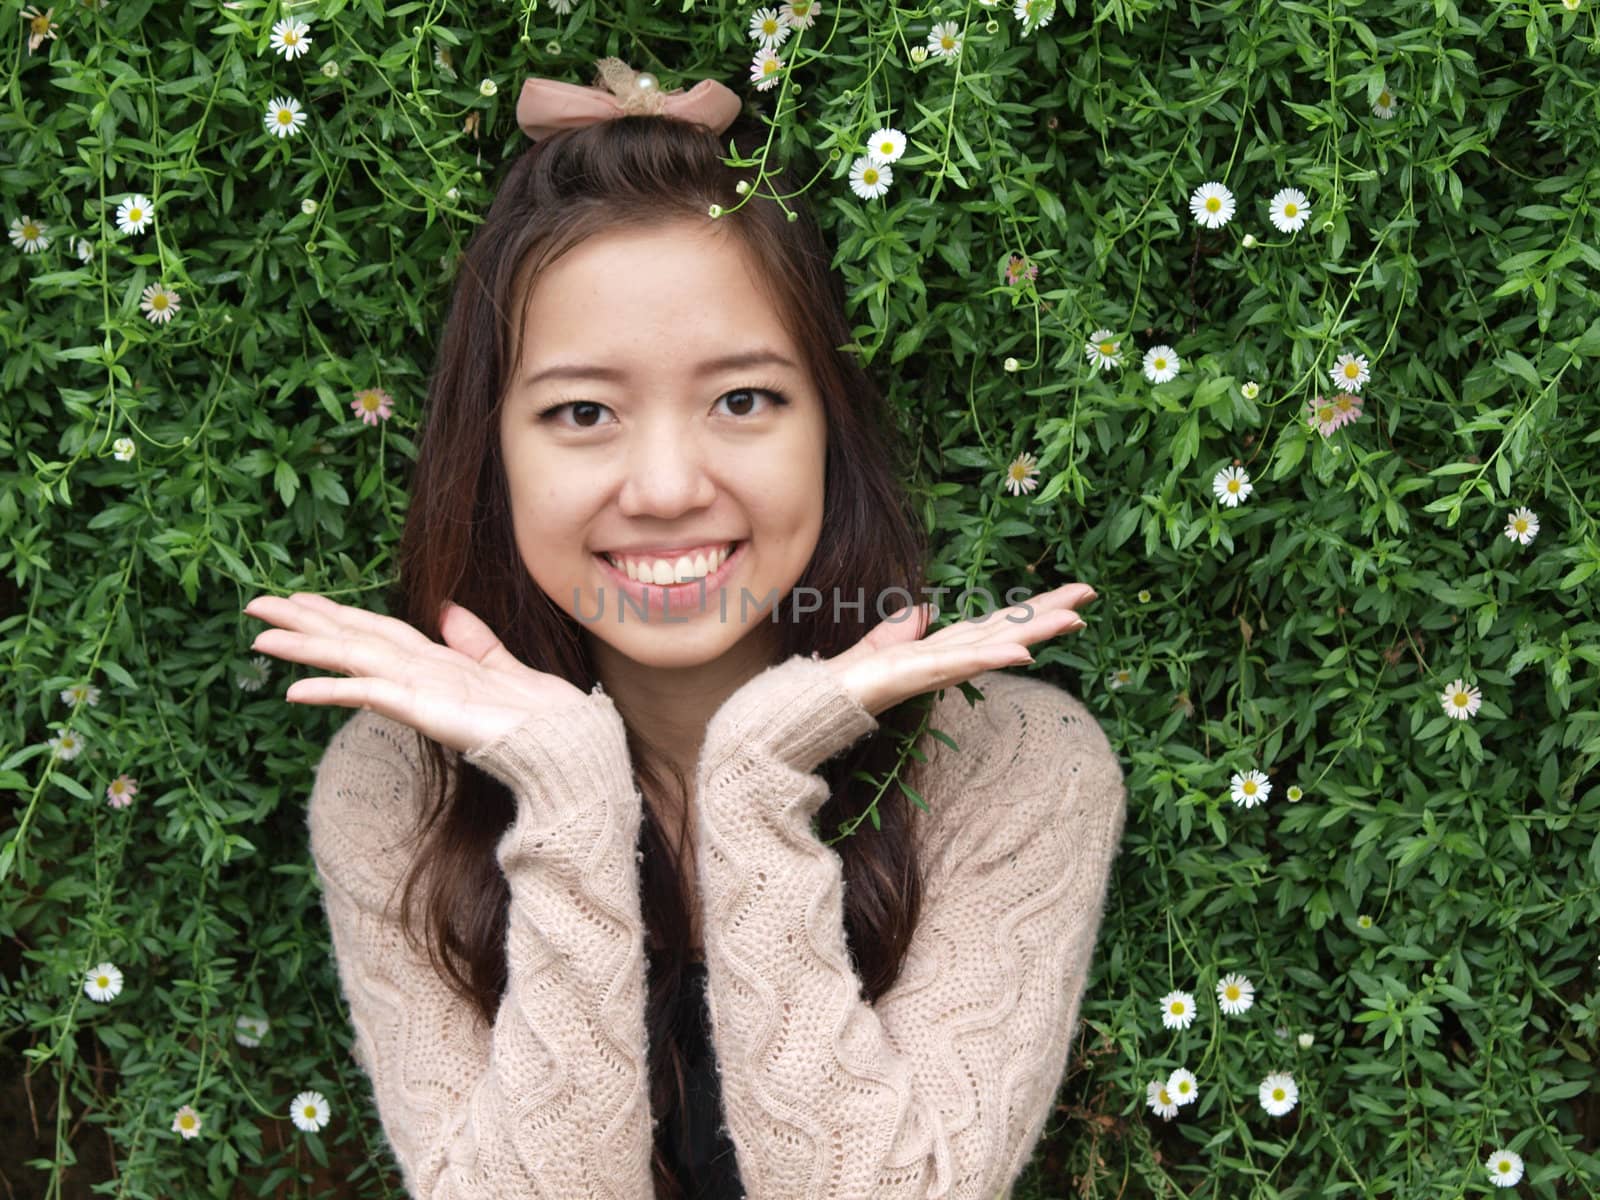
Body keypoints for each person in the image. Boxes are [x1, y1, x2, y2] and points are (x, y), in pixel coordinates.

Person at [242, 57, 1127, 1200]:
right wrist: (568, 802)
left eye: (743, 399)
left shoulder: (1006, 764)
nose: (664, 487)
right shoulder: (395, 790)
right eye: (582, 412)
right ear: (493, 454)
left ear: (829, 429)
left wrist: (757, 785)